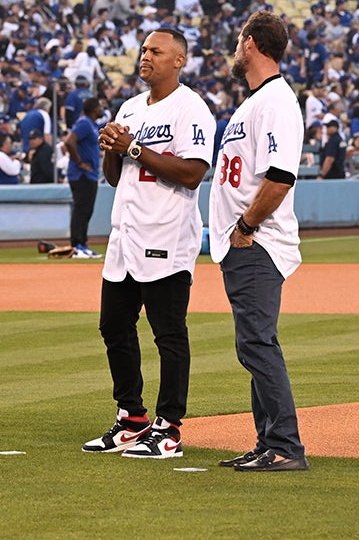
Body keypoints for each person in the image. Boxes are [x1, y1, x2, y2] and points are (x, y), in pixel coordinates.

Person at [82, 29, 214, 459]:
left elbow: (194, 172)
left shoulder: (191, 108)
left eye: (156, 51)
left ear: (178, 60)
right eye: (143, 50)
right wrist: (110, 148)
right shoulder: (131, 107)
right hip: (125, 234)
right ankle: (132, 417)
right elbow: (115, 176)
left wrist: (133, 147)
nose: (146, 56)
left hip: (166, 234)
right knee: (113, 326)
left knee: (168, 334)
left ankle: (170, 427)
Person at [208, 11, 308, 472]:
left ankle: (286, 445)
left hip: (258, 242)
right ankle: (268, 440)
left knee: (257, 343)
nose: (234, 47)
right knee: (253, 343)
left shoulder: (276, 101)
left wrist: (246, 226)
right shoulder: (258, 101)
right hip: (245, 243)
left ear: (250, 44)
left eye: (238, 39)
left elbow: (281, 175)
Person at [63, 96, 102, 258]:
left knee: (86, 210)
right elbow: (69, 141)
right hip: (81, 174)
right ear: (94, 109)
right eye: (99, 106)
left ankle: (83, 244)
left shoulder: (91, 125)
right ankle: (77, 245)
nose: (102, 109)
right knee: (81, 209)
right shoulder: (84, 123)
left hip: (90, 174)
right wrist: (79, 162)